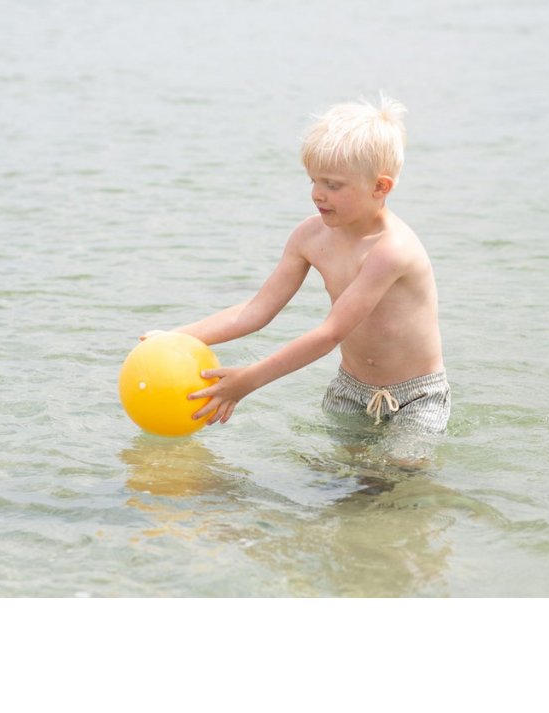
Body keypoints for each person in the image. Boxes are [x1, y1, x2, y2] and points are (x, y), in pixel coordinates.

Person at [151, 96, 450, 463]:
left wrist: (248, 381)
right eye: (313, 180)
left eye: (333, 185)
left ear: (380, 187)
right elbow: (256, 310)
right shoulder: (310, 237)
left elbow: (330, 333)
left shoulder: (391, 250)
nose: (317, 194)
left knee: (399, 477)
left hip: (415, 397)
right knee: (341, 477)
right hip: (349, 390)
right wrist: (176, 338)